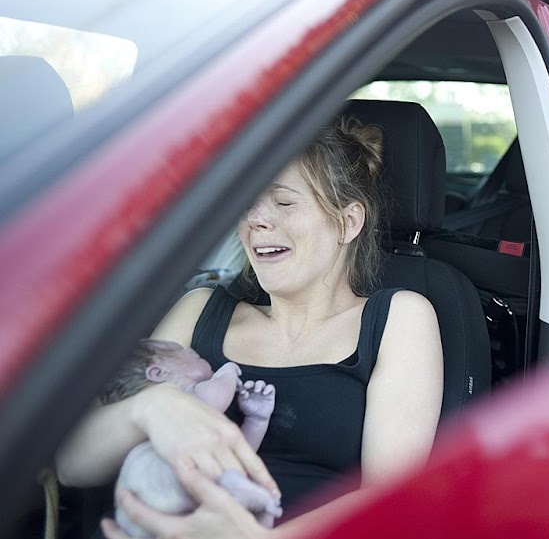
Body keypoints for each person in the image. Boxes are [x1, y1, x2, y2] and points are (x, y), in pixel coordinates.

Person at [55, 116, 445, 539]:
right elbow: (72, 464)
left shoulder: (397, 319)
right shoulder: (200, 311)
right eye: (248, 203)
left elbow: (389, 503)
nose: (255, 220)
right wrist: (150, 408)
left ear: (349, 222)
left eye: (283, 202)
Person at [101, 339, 281, 537]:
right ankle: (252, 500)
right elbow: (215, 398)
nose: (191, 350)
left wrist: (256, 420)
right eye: (181, 351)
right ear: (158, 373)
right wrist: (228, 371)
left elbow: (236, 459)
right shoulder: (178, 401)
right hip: (162, 481)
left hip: (154, 508)